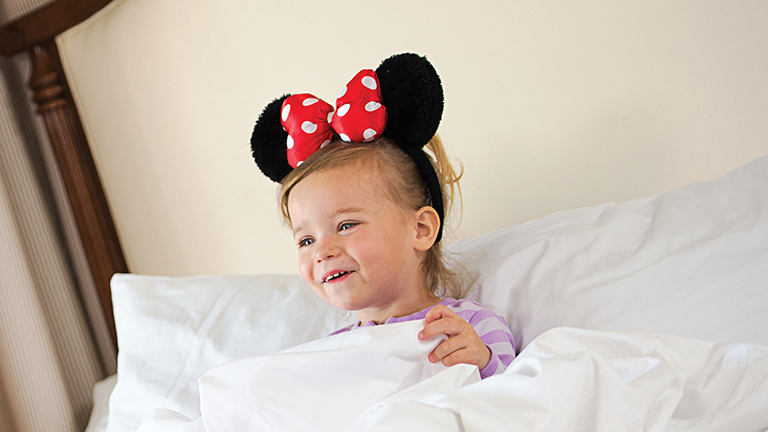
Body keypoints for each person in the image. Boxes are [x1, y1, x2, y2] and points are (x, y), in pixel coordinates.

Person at [251, 53, 515, 378]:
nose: (322, 252)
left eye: (345, 225)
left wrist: (483, 361)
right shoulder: (328, 353)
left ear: (420, 229)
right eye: (306, 239)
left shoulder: (468, 325)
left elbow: (518, 400)